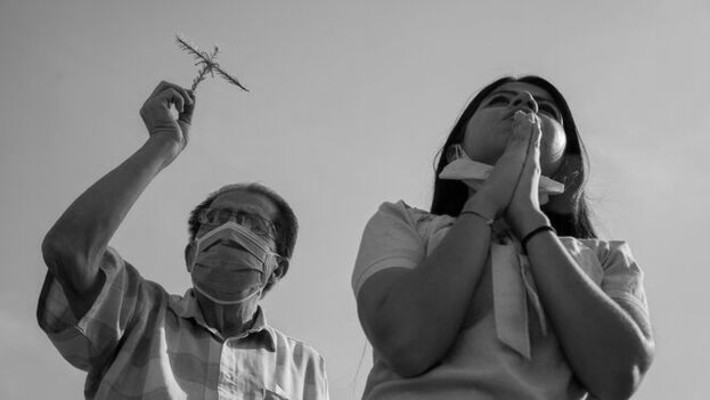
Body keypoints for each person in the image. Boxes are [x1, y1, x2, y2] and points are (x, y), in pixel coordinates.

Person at [352, 76, 654, 399]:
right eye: (500, 100)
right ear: (458, 149)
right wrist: (487, 200)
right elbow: (406, 341)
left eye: (547, 109)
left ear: (566, 168)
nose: (525, 103)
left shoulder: (607, 258)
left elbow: (618, 375)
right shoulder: (403, 222)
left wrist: (528, 215)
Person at [38, 81, 329, 399]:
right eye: (215, 220)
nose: (229, 231)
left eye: (252, 225)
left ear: (277, 268)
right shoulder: (140, 312)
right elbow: (69, 250)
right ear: (191, 255)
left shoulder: (304, 365)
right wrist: (163, 143)